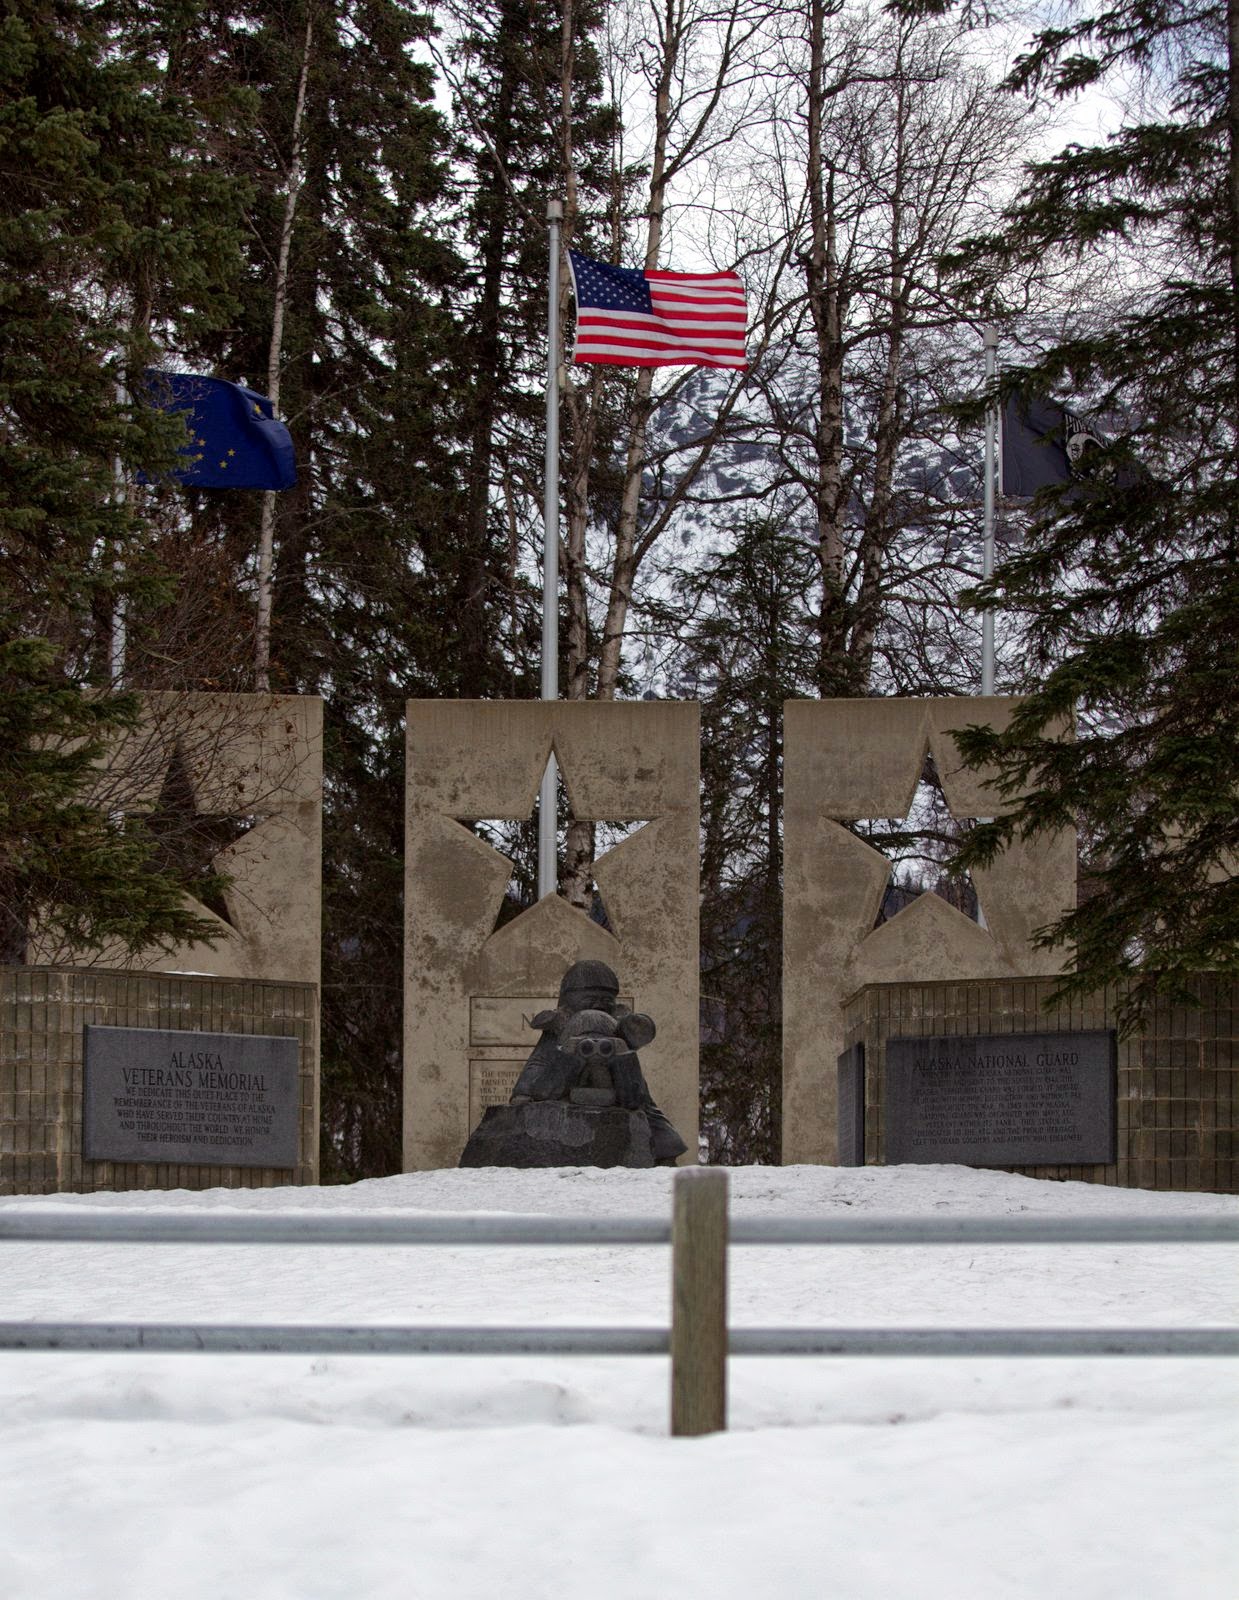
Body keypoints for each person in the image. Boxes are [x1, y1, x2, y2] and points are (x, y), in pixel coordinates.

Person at [509, 958, 686, 1164]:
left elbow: (636, 1096)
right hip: (561, 1109)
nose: (598, 1005)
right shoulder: (557, 1031)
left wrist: (621, 1055)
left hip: (617, 1112)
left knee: (653, 1121)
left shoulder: (619, 1031)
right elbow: (532, 1078)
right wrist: (569, 1056)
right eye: (589, 999)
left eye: (605, 1000)